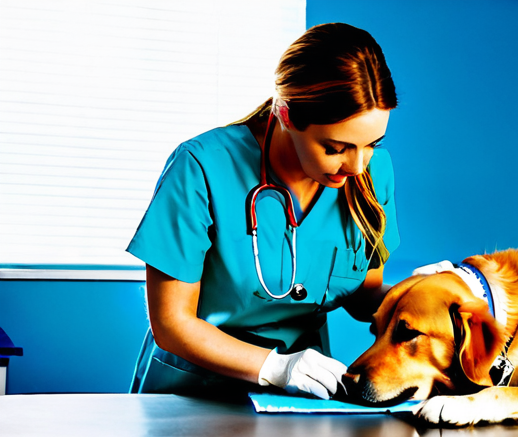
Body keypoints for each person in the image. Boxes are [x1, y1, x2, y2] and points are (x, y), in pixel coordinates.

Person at [128, 22, 399, 404]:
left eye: (372, 143)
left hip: (298, 400)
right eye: (336, 147)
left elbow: (364, 297)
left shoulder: (372, 173)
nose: (356, 165)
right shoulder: (201, 167)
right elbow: (171, 324)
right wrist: (275, 368)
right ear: (287, 115)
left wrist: (420, 293)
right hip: (191, 396)